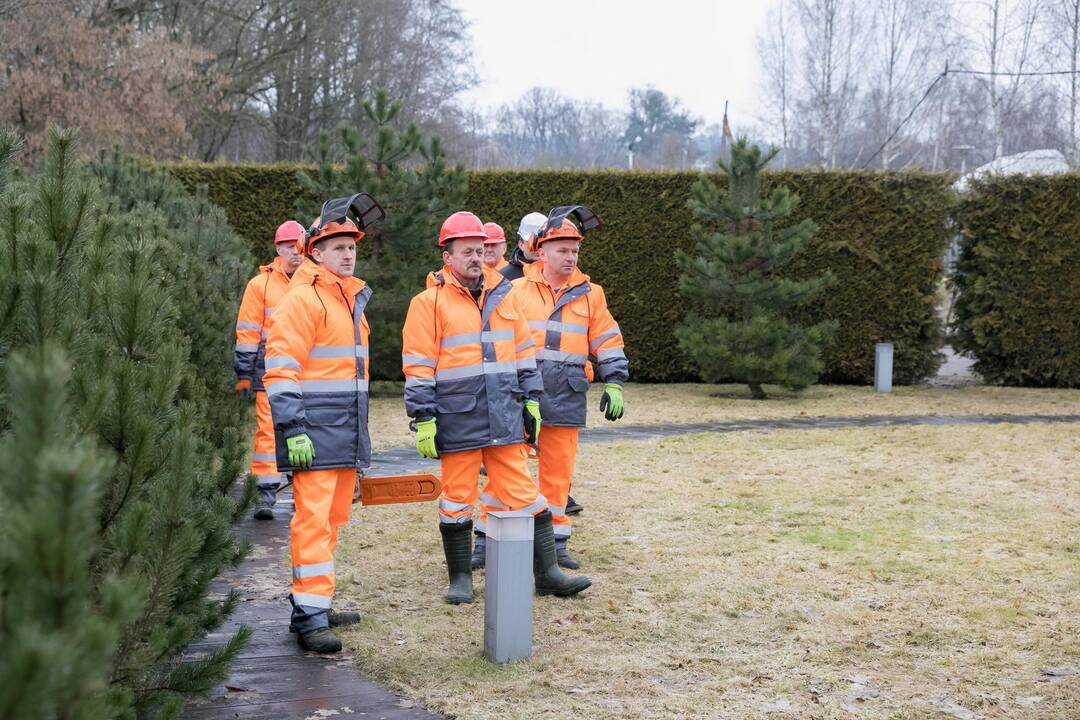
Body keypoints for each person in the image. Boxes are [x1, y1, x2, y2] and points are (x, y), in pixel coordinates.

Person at [401, 210, 591, 604]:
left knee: (527, 494)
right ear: (447, 256)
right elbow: (418, 364)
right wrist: (423, 417)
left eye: (481, 249)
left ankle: (548, 572)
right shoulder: (427, 303)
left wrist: (532, 399)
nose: (476, 256)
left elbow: (523, 352)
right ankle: (460, 580)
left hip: (504, 414)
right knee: (457, 499)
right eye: (467, 250)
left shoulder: (507, 295)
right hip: (458, 417)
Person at [263, 198, 381, 653]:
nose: (347, 253)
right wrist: (293, 429)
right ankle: (311, 618)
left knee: (330, 523)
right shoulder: (303, 299)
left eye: (351, 245)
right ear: (315, 251)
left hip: (342, 434)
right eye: (336, 246)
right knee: (313, 523)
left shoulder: (349, 299)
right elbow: (280, 369)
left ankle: (313, 603)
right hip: (312, 434)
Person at [512, 207, 628, 569]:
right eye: (563, 250)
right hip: (521, 393)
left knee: (558, 473)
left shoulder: (592, 294)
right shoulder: (515, 290)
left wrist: (615, 381)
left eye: (575, 250)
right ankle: (489, 539)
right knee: (506, 468)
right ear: (541, 251)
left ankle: (555, 543)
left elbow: (607, 338)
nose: (570, 257)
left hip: (566, 393)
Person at [234, 220, 305, 519]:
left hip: (305, 373)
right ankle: (266, 495)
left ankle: (303, 489)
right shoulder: (259, 285)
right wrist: (243, 375)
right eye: (290, 247)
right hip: (268, 373)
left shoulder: (314, 280)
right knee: (267, 433)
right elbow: (248, 333)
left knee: (303, 430)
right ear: (278, 249)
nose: (296, 253)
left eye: (300, 247)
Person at [499, 211, 546, 282]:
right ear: (521, 245)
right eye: (533, 242)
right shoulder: (504, 277)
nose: (538, 249)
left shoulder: (559, 273)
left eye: (542, 243)